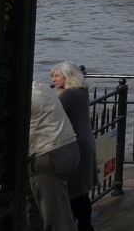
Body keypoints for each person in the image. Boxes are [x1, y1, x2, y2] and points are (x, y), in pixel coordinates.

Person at [27, 80, 79, 231]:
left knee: (56, 217)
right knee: (34, 207)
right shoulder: (40, 87)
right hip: (69, 147)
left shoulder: (26, 95)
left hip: (48, 155)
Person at [51, 62, 97, 231]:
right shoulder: (81, 92)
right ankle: (85, 225)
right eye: (53, 76)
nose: (53, 79)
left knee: (74, 191)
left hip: (75, 145)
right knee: (81, 191)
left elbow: (52, 113)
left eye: (57, 76)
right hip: (85, 142)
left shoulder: (69, 95)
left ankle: (82, 226)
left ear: (67, 77)